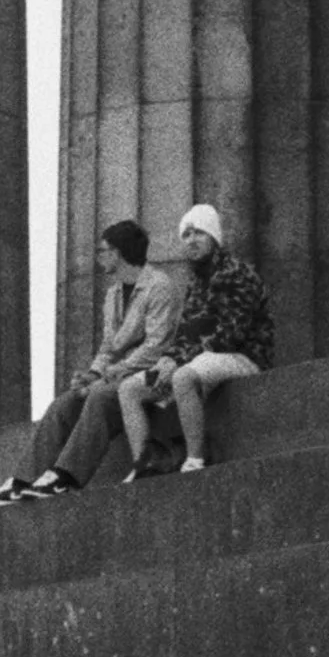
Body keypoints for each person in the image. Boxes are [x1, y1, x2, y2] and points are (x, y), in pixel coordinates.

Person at [0, 217, 189, 506]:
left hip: (150, 375)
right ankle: (22, 480)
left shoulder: (159, 286)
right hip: (118, 375)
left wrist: (108, 377)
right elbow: (108, 347)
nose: (99, 257)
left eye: (103, 251)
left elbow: (156, 346)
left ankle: (66, 476)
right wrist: (92, 374)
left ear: (118, 253)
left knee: (100, 398)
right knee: (64, 404)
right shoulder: (113, 294)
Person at [120, 201, 273, 477]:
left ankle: (195, 459)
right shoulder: (196, 283)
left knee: (183, 377)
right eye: (186, 235)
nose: (191, 241)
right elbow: (186, 333)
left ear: (214, 238)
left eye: (199, 233)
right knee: (129, 389)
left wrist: (178, 363)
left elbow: (230, 334)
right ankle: (146, 463)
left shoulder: (238, 274)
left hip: (245, 357)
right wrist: (168, 359)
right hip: (202, 359)